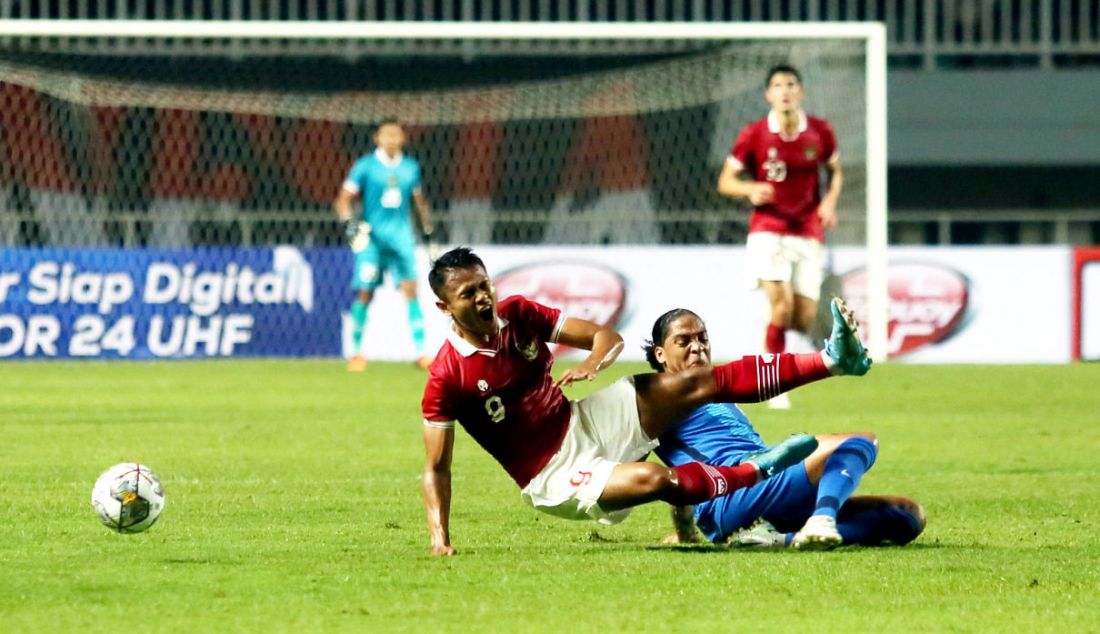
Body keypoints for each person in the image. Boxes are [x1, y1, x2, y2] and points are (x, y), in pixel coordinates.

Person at [420, 247, 872, 556]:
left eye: (485, 285)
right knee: (657, 479)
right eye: (469, 294)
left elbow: (605, 336)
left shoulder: (517, 313)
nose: (484, 297)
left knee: (696, 381)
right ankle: (754, 471)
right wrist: (440, 538)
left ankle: (832, 360)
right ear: (445, 308)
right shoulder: (447, 376)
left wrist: (595, 362)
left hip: (584, 421)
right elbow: (437, 468)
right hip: (550, 474)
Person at [644, 307, 925, 550]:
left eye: (702, 338)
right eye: (683, 341)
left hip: (763, 482)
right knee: (860, 441)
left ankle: (777, 540)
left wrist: (685, 533)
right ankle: (822, 520)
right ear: (661, 354)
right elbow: (647, 469)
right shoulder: (654, 400)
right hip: (730, 495)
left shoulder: (718, 391)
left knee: (907, 515)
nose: (697, 347)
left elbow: (681, 467)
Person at [717, 64, 843, 409]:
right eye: (777, 85)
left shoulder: (820, 132)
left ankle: (771, 326)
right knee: (782, 306)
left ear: (800, 91)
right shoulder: (754, 134)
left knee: (802, 317)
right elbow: (725, 181)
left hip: (807, 231)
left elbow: (835, 173)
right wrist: (749, 188)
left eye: (790, 84)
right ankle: (774, 385)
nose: (784, 90)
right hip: (768, 230)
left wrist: (829, 202)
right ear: (768, 95)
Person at [334, 118, 435, 372]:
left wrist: (429, 233)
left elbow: (419, 202)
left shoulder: (411, 168)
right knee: (365, 293)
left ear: (403, 138)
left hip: (402, 239)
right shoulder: (365, 166)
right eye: (386, 134)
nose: (391, 139)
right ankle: (356, 353)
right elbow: (343, 200)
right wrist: (349, 224)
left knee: (411, 291)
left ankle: (421, 353)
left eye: (396, 134)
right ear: (377, 138)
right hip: (372, 241)